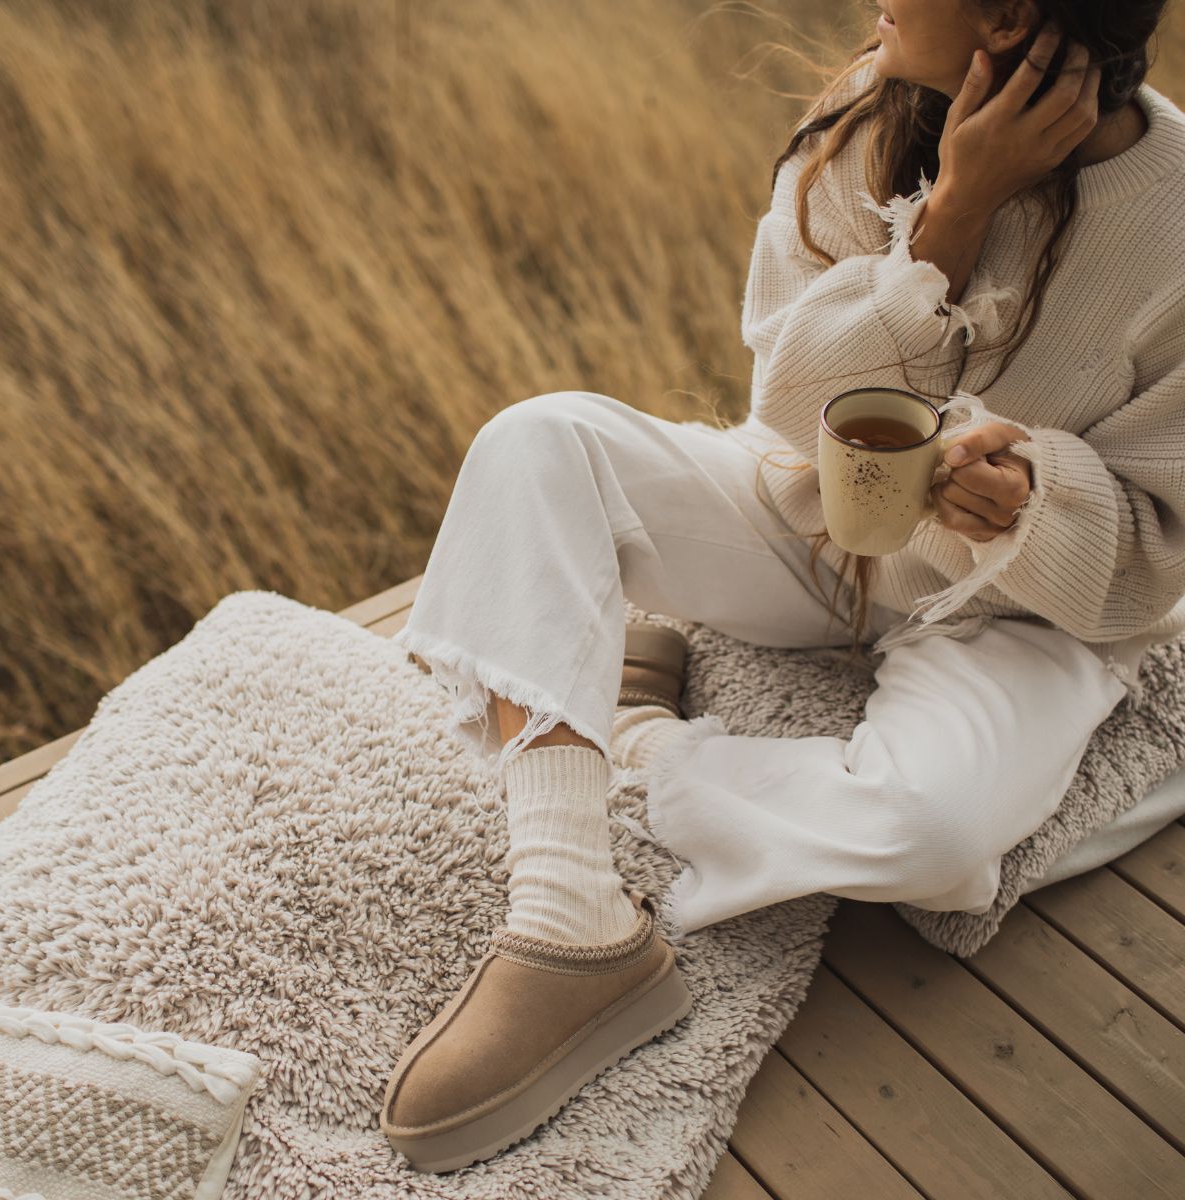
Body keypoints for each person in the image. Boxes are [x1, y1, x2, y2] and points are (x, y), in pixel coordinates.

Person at [380, 0, 1185, 1173]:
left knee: (933, 833)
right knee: (538, 441)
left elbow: (1162, 555)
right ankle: (569, 917)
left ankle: (642, 733)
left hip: (1009, 611)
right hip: (812, 530)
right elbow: (785, 411)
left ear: (1012, 12)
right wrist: (951, 215)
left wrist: (1032, 499)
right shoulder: (869, 120)